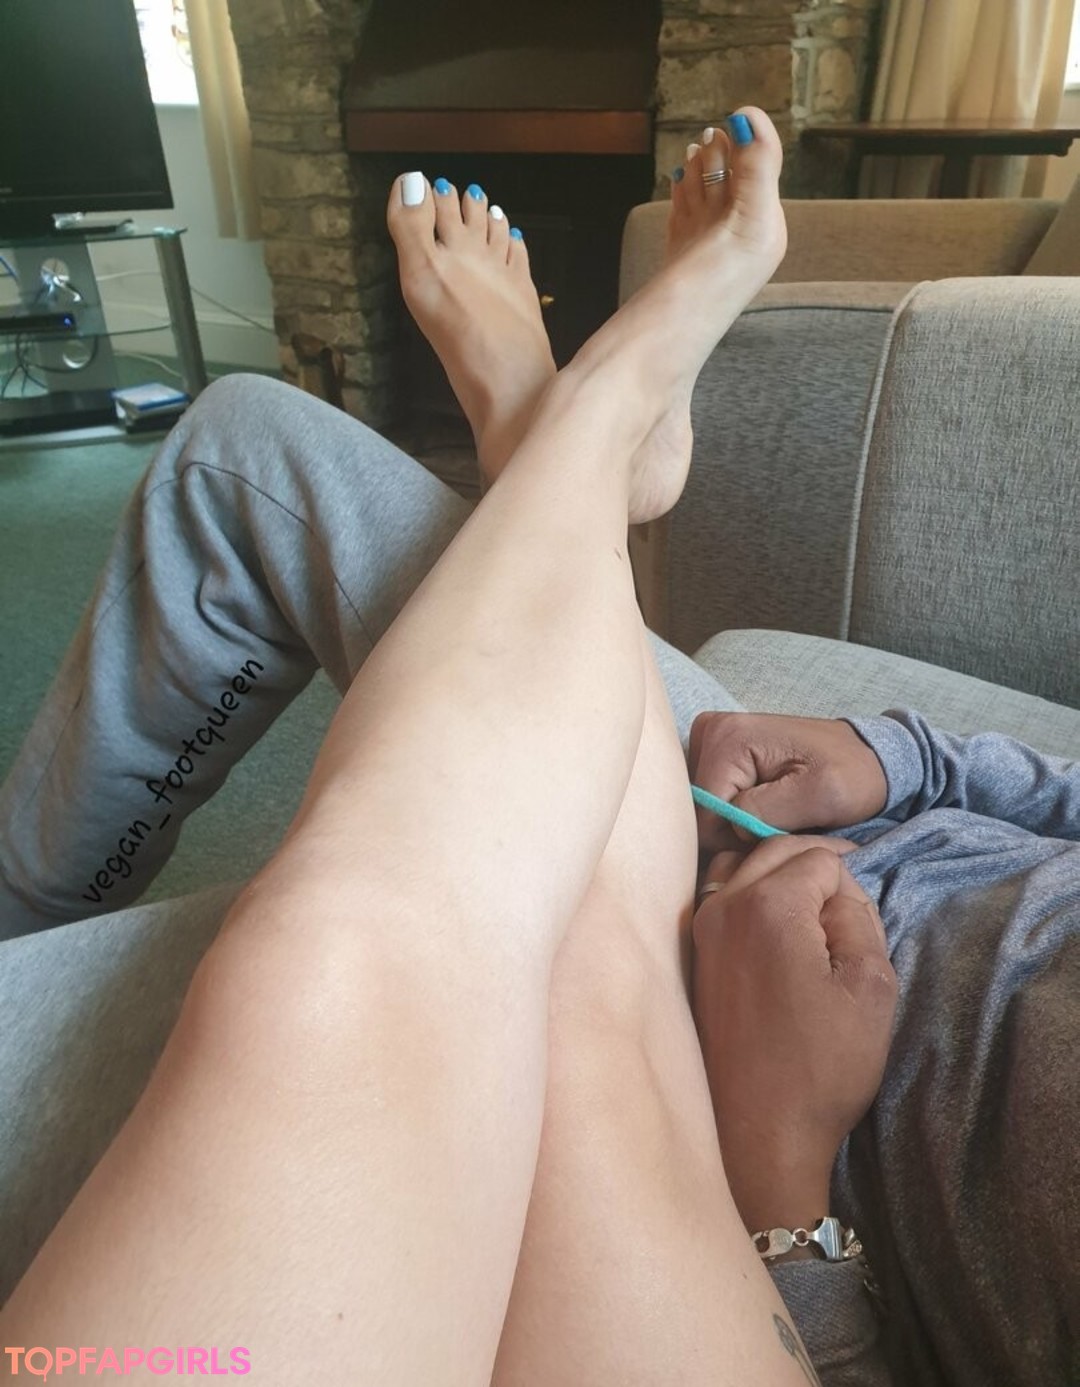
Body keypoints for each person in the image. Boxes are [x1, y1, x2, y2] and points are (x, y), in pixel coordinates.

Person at [0, 107, 1076, 1385]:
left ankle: (577, 424)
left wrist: (785, 1176)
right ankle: (576, 443)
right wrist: (902, 759)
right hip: (826, 838)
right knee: (244, 447)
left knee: (348, 953)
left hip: (762, 1150)